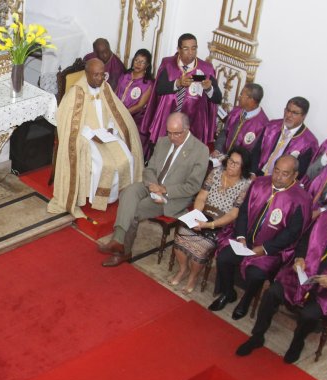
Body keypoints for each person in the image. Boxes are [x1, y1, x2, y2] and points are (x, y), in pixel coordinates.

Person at [236, 191, 327, 364]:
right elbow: (304, 240)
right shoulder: (326, 217)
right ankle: (257, 336)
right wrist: (299, 258)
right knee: (272, 293)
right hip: (301, 276)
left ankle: (297, 343)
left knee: (309, 316)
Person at [98, 112, 209, 267]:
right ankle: (118, 240)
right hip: (152, 185)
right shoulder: (163, 142)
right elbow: (149, 169)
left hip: (171, 198)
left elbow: (193, 186)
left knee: (135, 210)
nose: (172, 137)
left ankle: (123, 251)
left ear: (187, 129)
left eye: (176, 133)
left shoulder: (200, 151)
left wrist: (164, 189)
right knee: (128, 192)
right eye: (169, 132)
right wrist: (153, 185)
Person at [208, 155, 311, 320]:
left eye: (285, 174)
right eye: (276, 171)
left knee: (256, 274)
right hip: (245, 240)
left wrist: (264, 249)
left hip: (271, 249)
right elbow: (243, 212)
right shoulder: (259, 183)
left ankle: (246, 301)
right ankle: (228, 293)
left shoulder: (300, 200)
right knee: (223, 258)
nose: (278, 177)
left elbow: (292, 233)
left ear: (295, 175)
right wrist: (241, 236)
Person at [48, 58, 144, 219]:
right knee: (104, 164)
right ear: (87, 74)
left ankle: (119, 195)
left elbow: (115, 111)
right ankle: (98, 200)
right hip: (87, 137)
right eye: (96, 75)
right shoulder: (76, 92)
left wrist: (112, 127)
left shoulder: (105, 87)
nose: (100, 78)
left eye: (102, 74)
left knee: (127, 158)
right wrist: (91, 134)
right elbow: (69, 122)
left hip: (107, 133)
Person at [169, 147, 252, 293]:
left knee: (201, 247)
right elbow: (201, 196)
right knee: (180, 236)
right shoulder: (216, 172)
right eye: (230, 161)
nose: (231, 165)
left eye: (236, 163)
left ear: (243, 167)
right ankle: (183, 269)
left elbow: (233, 214)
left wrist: (209, 224)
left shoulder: (245, 185)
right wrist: (197, 215)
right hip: (204, 214)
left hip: (222, 224)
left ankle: (193, 277)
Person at [141, 33, 222, 147]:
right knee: (162, 151)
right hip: (167, 118)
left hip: (193, 122)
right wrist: (177, 83)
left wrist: (209, 88)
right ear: (178, 49)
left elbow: (218, 98)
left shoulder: (206, 68)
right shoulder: (168, 64)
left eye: (194, 48)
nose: (190, 52)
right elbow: (159, 89)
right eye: (186, 49)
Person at [253, 96, 318, 177]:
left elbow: (300, 173)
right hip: (257, 173)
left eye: (295, 113)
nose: (289, 115)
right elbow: (256, 151)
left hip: (280, 182)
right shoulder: (271, 126)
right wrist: (253, 172)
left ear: (304, 116)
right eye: (287, 110)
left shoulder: (308, 142)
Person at [212, 83, 268, 157]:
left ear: (251, 100)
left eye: (242, 95)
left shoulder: (262, 124)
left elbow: (253, 153)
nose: (239, 97)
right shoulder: (236, 111)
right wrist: (218, 149)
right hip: (221, 155)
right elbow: (224, 132)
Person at [113, 49, 154, 133]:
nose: (138, 64)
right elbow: (115, 92)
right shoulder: (125, 75)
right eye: (136, 60)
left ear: (147, 65)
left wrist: (123, 113)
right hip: (114, 112)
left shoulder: (147, 83)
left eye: (142, 62)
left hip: (132, 118)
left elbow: (140, 106)